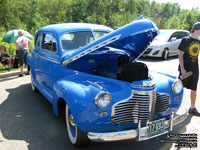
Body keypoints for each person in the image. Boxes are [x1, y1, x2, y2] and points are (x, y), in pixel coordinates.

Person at [178, 22, 200, 116]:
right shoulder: (185, 40)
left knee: (194, 88)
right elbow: (180, 55)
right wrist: (182, 69)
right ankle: (173, 108)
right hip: (185, 70)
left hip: (194, 70)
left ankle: (192, 108)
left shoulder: (199, 42)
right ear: (196, 29)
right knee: (178, 87)